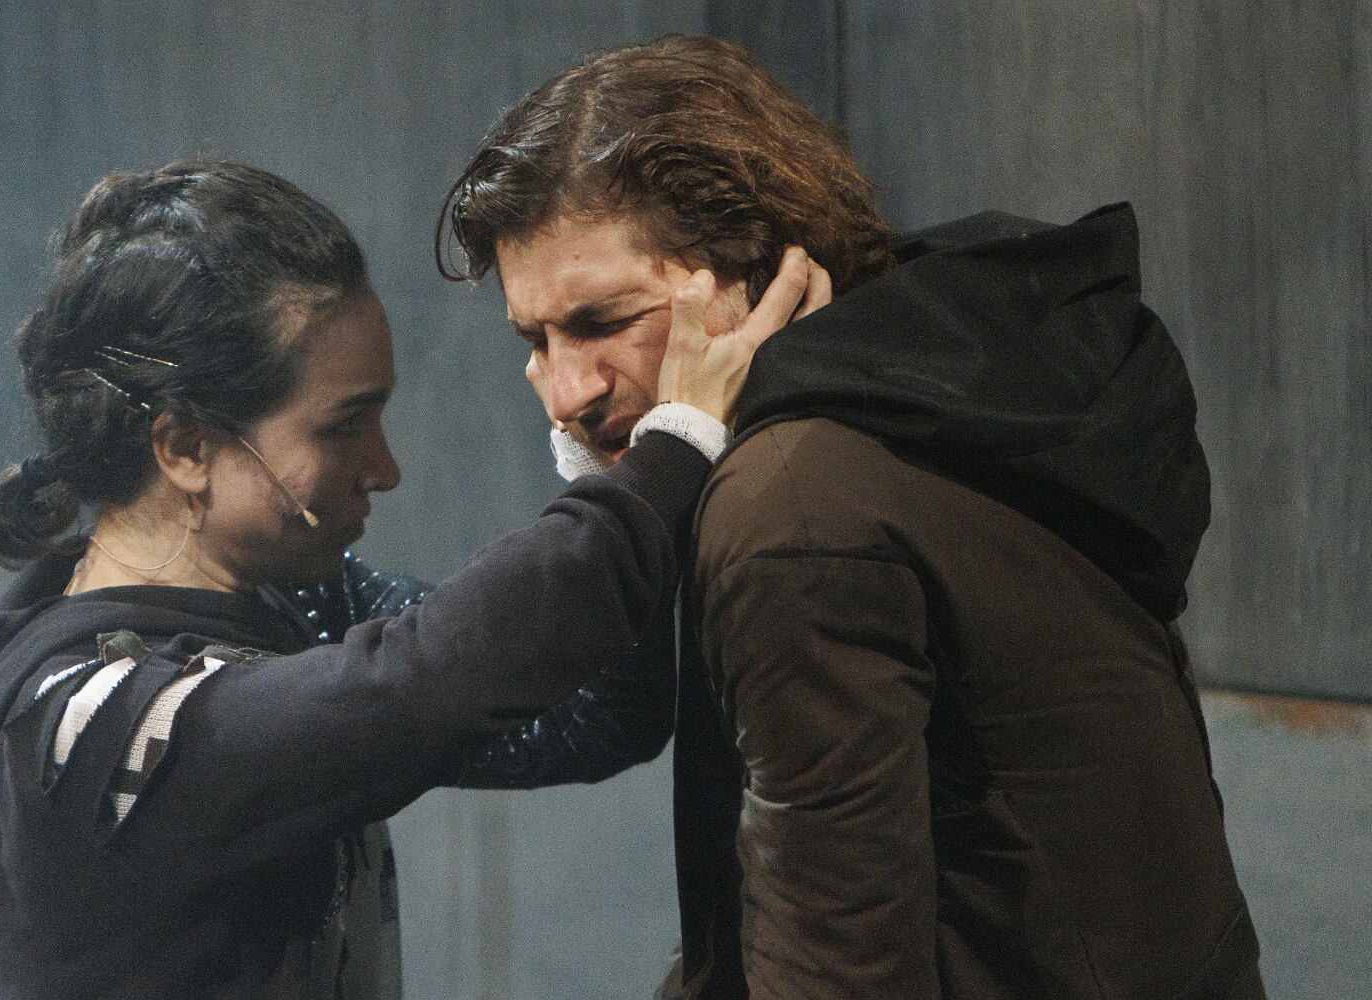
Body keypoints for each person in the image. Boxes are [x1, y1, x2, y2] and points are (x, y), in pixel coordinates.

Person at [438, 34, 1266, 999]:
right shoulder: (947, 370)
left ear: (754, 272)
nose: (564, 392)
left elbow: (836, 972)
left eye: (603, 322)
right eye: (535, 340)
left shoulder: (787, 509)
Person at [0, 158, 824, 999]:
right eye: (343, 426)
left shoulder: (286, 604)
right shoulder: (91, 728)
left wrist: (610, 453)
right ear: (186, 447)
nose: (383, 468)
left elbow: (588, 715)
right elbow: (428, 679)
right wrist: (675, 445)